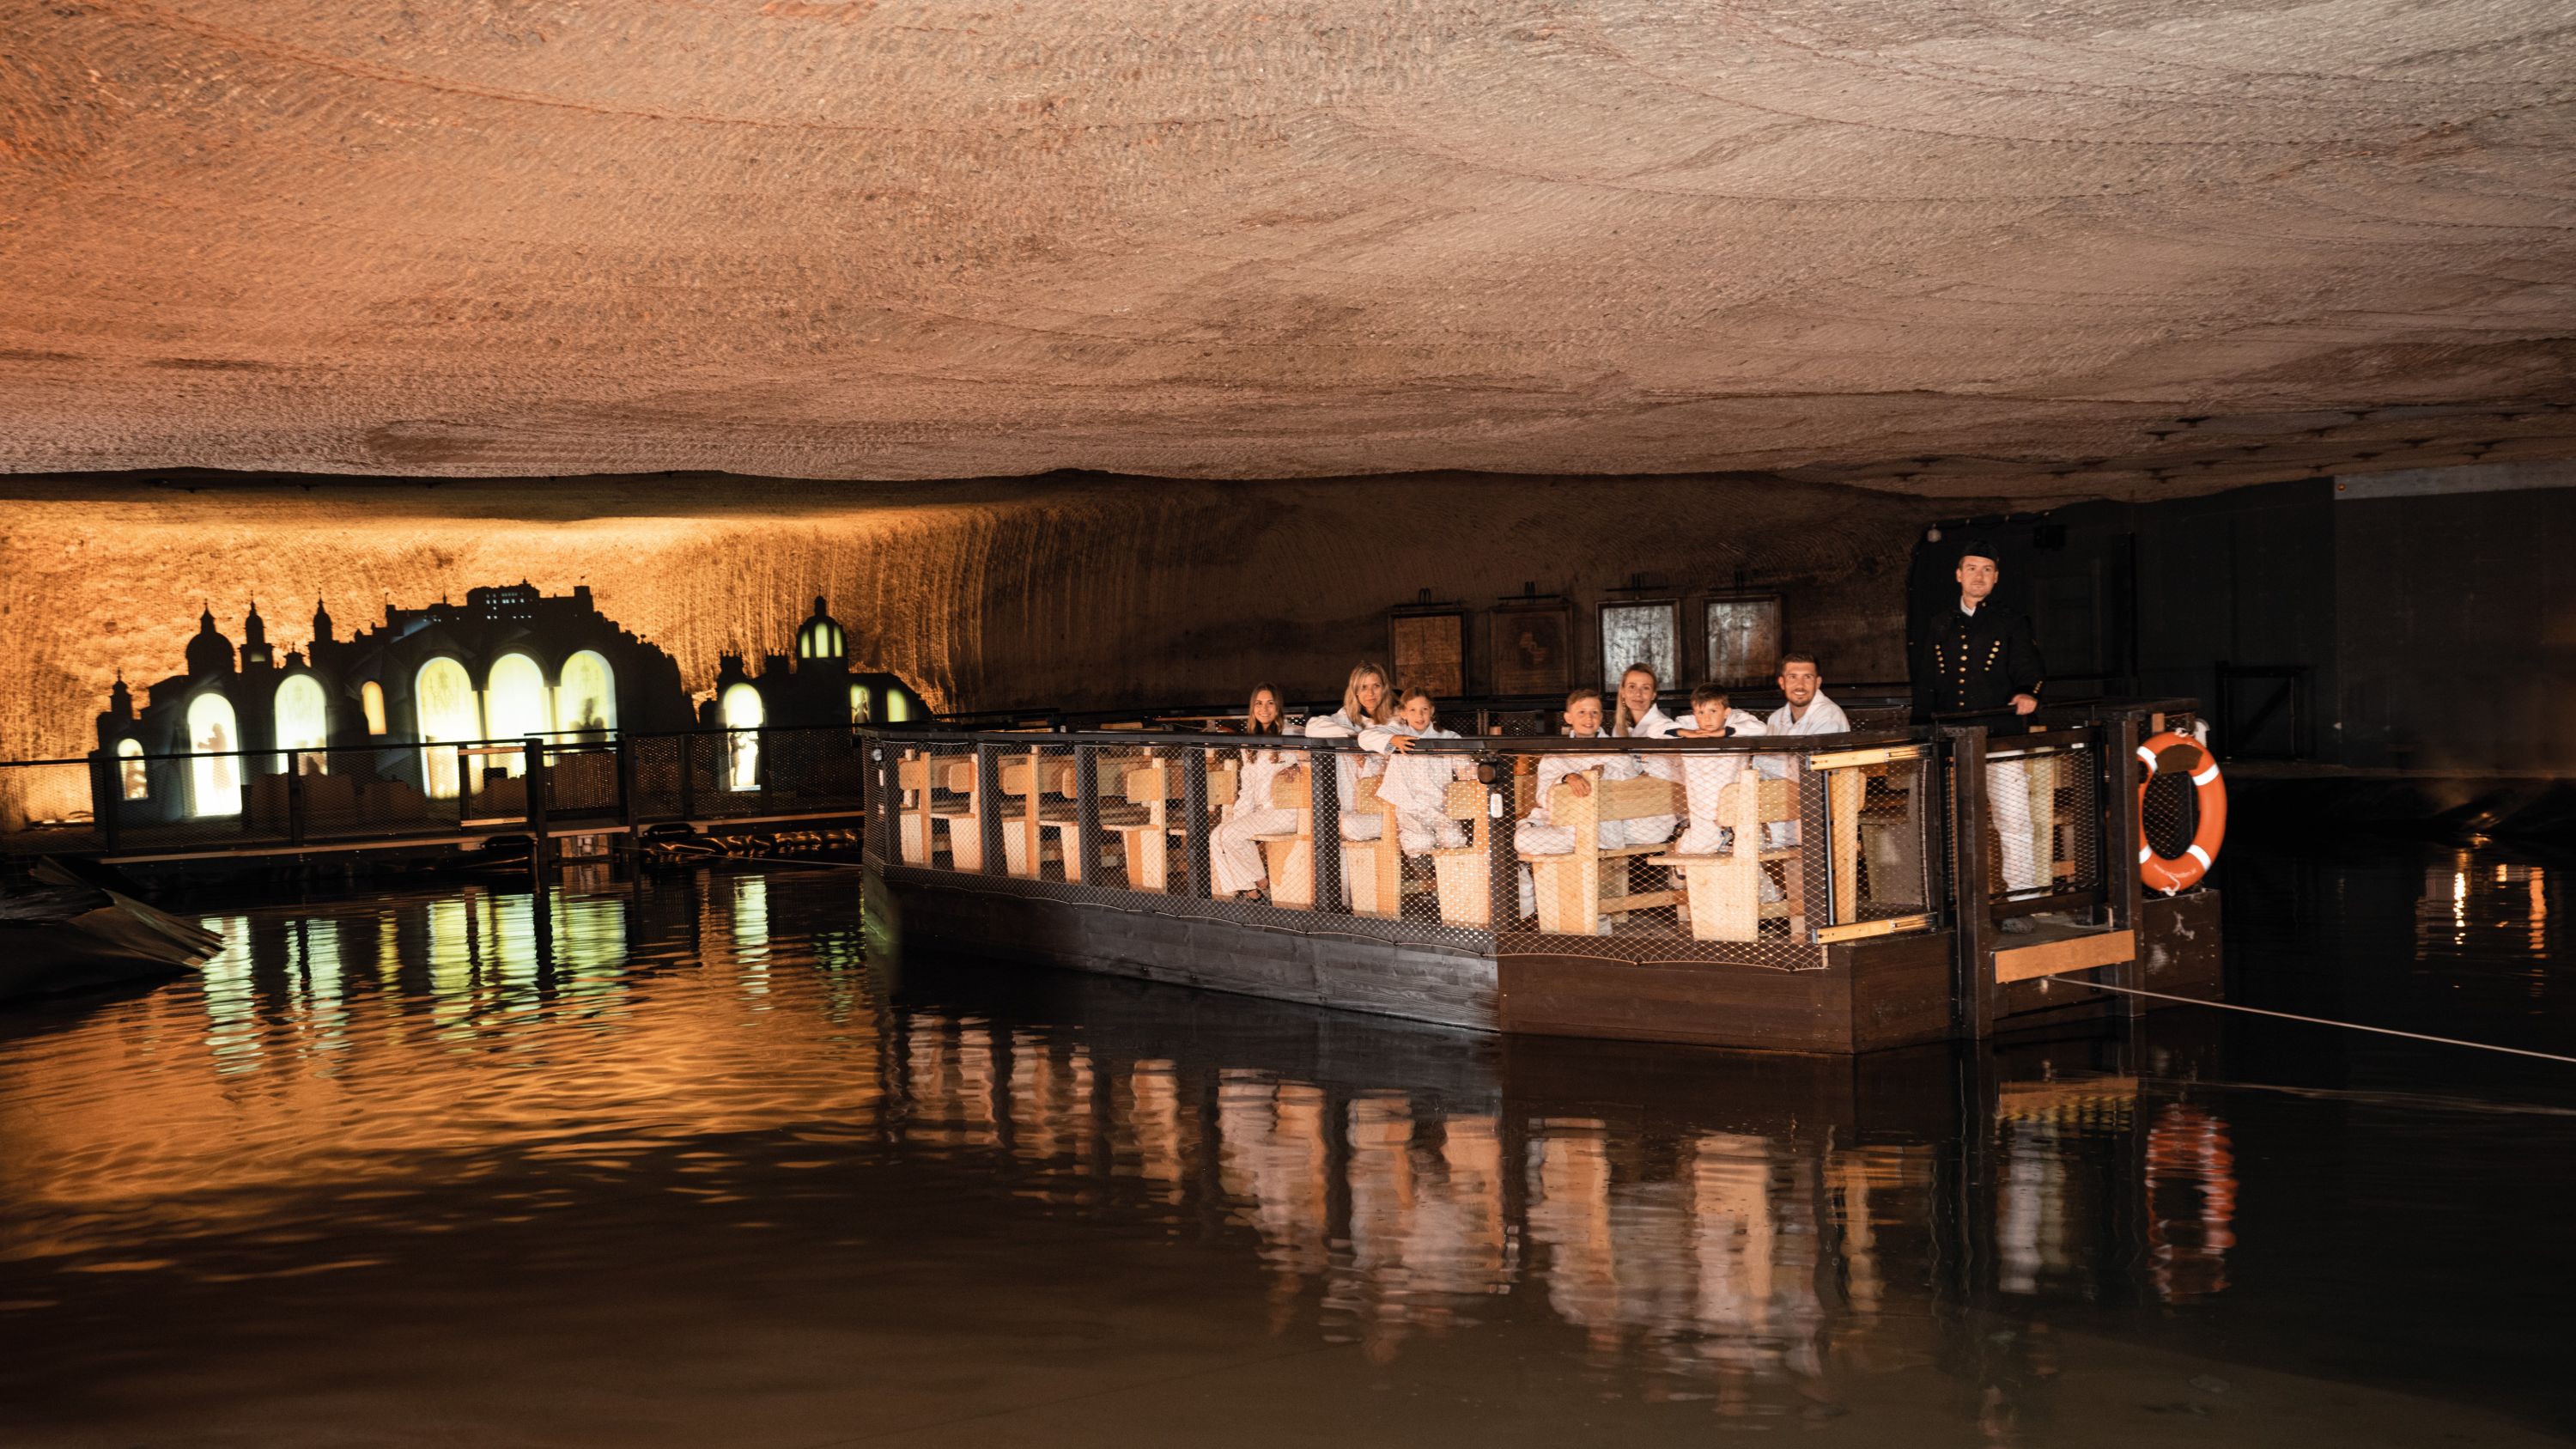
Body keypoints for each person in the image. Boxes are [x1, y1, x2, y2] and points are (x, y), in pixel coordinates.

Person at [1914, 541, 2049, 921]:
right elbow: (1927, 680)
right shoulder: (1940, 622)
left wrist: (2027, 693)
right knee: (1948, 822)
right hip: (1951, 739)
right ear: (1958, 575)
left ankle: (2021, 902)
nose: (1979, 576)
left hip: (1999, 736)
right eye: (1972, 568)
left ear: (1996, 577)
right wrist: (1922, 730)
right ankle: (1949, 904)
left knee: (2014, 819)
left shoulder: (2011, 620)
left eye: (1987, 570)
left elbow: (2030, 670)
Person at [1516, 687, 1662, 855]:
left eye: (1594, 712)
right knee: (1522, 839)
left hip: (1601, 825)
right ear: (1568, 717)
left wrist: (1604, 773)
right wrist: (1566, 778)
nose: (1589, 718)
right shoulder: (1555, 755)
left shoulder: (1615, 749)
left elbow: (1631, 782)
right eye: (1582, 712)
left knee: (1526, 841)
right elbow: (1542, 797)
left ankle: (1584, 845)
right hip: (1560, 823)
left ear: (1601, 717)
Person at [1756, 653, 1850, 850]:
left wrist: (1756, 762)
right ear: (1782, 682)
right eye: (1793, 677)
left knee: (1755, 763)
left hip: (1822, 805)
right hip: (1781, 803)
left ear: (1818, 682)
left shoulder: (1829, 716)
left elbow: (1811, 770)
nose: (1800, 685)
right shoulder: (1775, 718)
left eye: (1807, 677)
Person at [1212, 685, 1298, 898]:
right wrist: (1238, 817)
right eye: (1259, 703)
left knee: (1230, 834)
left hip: (1285, 811)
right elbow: (1248, 789)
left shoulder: (1292, 733)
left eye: (1270, 703)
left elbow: (1314, 760)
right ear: (1253, 707)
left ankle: (1256, 888)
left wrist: (1299, 767)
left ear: (1278, 707)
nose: (1264, 709)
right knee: (1216, 836)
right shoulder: (1249, 743)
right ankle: (1254, 888)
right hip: (1261, 813)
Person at [1363, 689, 1474, 855]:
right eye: (1412, 710)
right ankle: (1422, 868)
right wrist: (1392, 740)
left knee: (1453, 839)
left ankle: (1445, 869)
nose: (1419, 715)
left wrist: (1474, 773)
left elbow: (1465, 767)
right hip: (1409, 806)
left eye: (1424, 709)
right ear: (1403, 713)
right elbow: (1364, 738)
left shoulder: (1448, 737)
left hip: (1439, 805)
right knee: (1420, 841)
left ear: (1432, 711)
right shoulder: (1397, 733)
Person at [1303, 662, 1396, 843]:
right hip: (1351, 809)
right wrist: (1354, 739)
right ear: (1355, 691)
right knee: (1336, 825)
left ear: (1384, 688)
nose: (1370, 693)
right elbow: (1312, 727)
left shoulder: (1396, 719)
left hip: (1386, 812)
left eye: (1376, 686)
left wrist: (1367, 761)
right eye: (1363, 687)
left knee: (1347, 827)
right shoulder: (1347, 717)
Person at [1671, 684, 1768, 855]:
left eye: (1713, 711)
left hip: (1737, 803)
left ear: (1726, 712)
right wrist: (1686, 733)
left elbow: (1761, 728)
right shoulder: (1687, 723)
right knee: (1699, 848)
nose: (1707, 718)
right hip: (1702, 805)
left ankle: (1730, 844)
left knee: (1754, 847)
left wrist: (1724, 732)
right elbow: (1656, 729)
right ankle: (1684, 860)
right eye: (1701, 712)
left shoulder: (1738, 719)